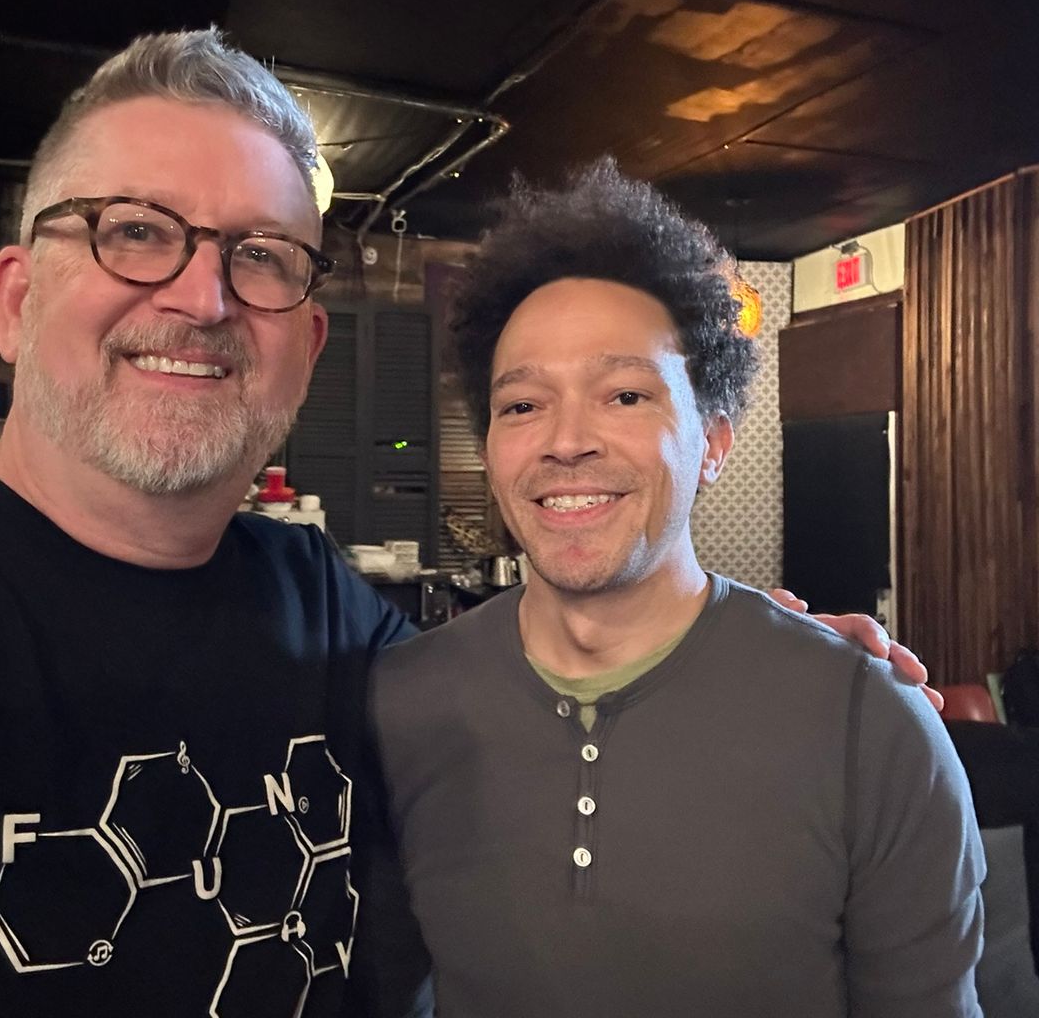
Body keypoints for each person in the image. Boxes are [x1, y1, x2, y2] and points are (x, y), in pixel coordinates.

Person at [0, 31, 930, 1017]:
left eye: (261, 256)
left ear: (304, 348)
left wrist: (753, 653)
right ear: (13, 299)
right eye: (134, 230)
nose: (201, 296)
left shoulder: (322, 608)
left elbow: (535, 687)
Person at [370, 160, 985, 1018]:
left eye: (625, 395)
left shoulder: (870, 722)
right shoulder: (399, 703)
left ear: (714, 443)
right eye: (522, 405)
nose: (566, 440)